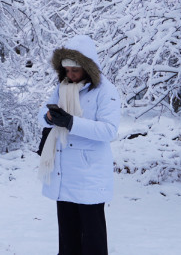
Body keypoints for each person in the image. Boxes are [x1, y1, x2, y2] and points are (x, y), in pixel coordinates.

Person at [38, 35, 121, 255]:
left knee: (92, 241)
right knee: (67, 240)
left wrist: (71, 122)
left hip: (88, 175)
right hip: (64, 173)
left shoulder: (105, 91)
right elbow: (42, 115)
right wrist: (48, 117)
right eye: (66, 70)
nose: (70, 75)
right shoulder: (62, 87)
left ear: (87, 68)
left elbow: (108, 130)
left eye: (75, 70)